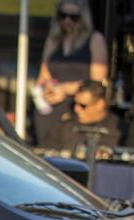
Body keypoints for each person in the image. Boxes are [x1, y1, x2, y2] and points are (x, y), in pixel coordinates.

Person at [34, 0, 107, 147]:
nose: (67, 20)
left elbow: (97, 83)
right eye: (63, 15)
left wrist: (64, 89)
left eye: (73, 17)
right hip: (50, 106)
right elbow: (43, 75)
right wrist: (48, 88)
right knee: (45, 148)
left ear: (82, 17)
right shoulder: (53, 40)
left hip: (76, 106)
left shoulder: (94, 40)